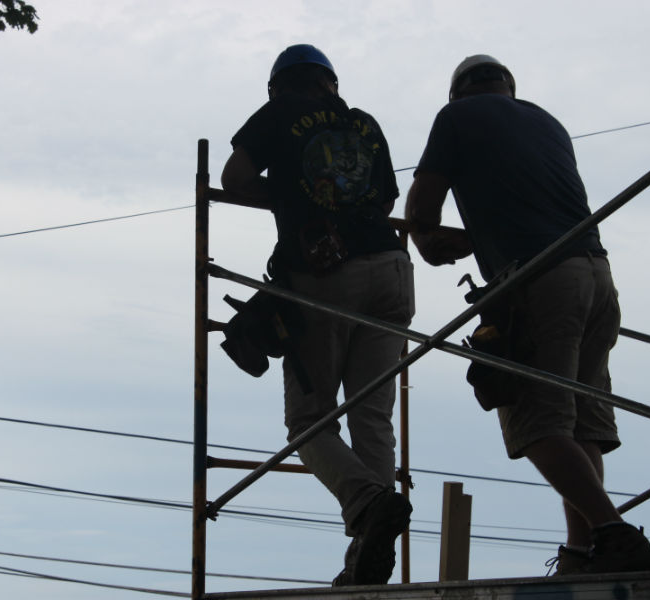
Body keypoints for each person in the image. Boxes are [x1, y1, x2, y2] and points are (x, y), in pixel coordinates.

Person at [405, 54, 650, 575]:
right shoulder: (547, 121)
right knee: (581, 425)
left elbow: (422, 211)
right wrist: (477, 238)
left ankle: (613, 532)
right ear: (509, 88)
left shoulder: (455, 117)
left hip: (540, 280)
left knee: (534, 421)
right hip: (595, 274)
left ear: (458, 92)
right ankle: (582, 550)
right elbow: (529, 202)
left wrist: (428, 241)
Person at [221, 44, 415, 586]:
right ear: (332, 82)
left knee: (309, 420)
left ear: (278, 86)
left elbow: (235, 177)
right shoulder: (364, 123)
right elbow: (380, 204)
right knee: (371, 416)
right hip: (394, 270)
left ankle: (366, 502)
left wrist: (287, 199)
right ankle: (367, 562)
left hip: (326, 272)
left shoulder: (280, 112)